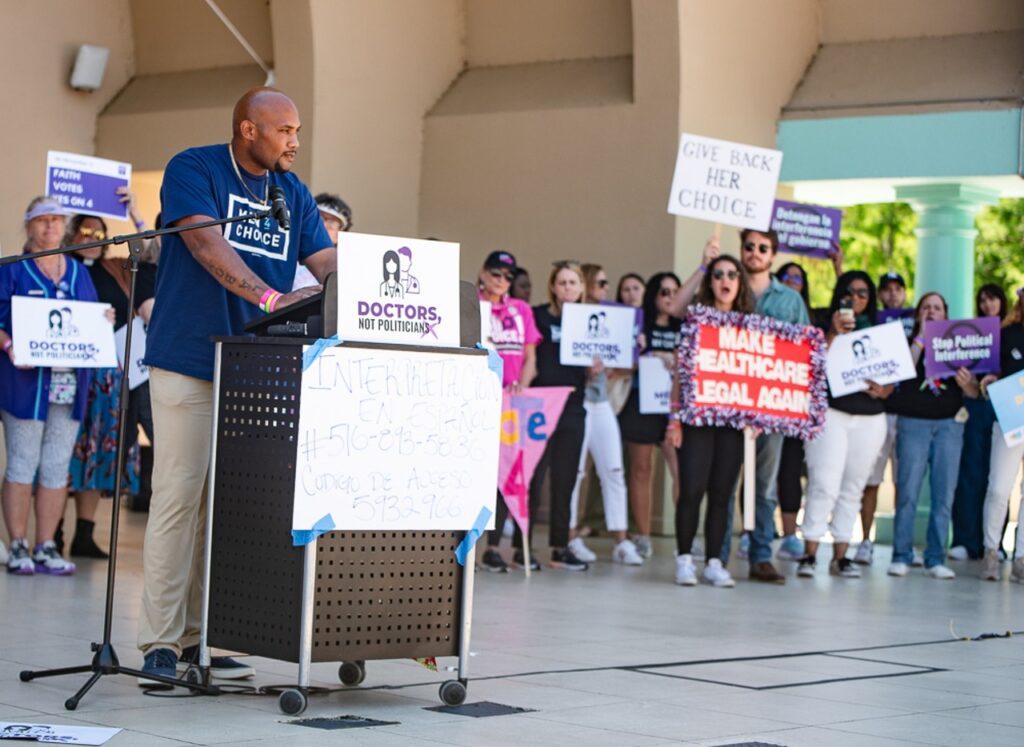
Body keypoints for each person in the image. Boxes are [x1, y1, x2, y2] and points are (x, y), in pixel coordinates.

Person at [137, 87, 336, 684]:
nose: (295, 142)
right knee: (179, 496)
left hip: (257, 368)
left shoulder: (292, 193)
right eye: (285, 130)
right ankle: (162, 644)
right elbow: (202, 242)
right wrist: (271, 296)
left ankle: (205, 635)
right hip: (189, 357)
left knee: (230, 506)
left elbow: (323, 260)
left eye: (298, 130)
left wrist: (358, 292)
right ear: (248, 130)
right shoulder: (194, 167)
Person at [675, 230, 809, 584]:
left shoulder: (788, 301)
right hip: (714, 413)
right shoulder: (710, 308)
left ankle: (761, 555)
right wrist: (705, 265)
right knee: (720, 485)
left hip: (768, 411)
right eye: (748, 247)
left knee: (764, 487)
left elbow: (799, 356)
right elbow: (677, 312)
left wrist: (783, 406)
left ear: (773, 253)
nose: (754, 253)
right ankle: (714, 557)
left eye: (762, 248)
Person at [0, 197, 108, 576]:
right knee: (22, 461)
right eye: (41, 220)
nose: (49, 227)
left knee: (56, 465)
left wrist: (102, 319)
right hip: (25, 384)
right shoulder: (12, 269)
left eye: (55, 220)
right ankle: (17, 544)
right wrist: (10, 343)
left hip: (68, 384)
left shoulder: (78, 273)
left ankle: (45, 544)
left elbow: (91, 321)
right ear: (28, 226)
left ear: (64, 227)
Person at [63, 203, 155, 559]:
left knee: (97, 450)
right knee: (67, 450)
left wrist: (133, 210)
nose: (92, 239)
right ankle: (50, 534)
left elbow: (149, 249)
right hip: (70, 374)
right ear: (72, 235)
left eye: (99, 234)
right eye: (85, 232)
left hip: (111, 374)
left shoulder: (116, 267)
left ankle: (84, 534)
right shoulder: (62, 268)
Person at [798, 271, 891, 579]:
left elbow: (895, 377)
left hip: (870, 418)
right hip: (832, 413)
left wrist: (884, 390)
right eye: (850, 292)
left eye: (863, 293)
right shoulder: (823, 321)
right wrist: (833, 333)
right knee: (823, 483)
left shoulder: (881, 330)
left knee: (854, 487)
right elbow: (811, 365)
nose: (856, 298)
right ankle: (809, 554)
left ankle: (841, 555)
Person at [669, 255, 755, 588]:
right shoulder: (696, 320)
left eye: (732, 274)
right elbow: (680, 370)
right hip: (697, 416)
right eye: (718, 274)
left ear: (740, 282)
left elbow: (757, 374)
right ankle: (684, 558)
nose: (725, 280)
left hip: (733, 420)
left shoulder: (751, 324)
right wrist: (673, 419)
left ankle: (715, 562)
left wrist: (757, 413)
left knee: (722, 492)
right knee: (691, 488)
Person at [888, 292, 979, 579]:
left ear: (946, 315)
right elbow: (900, 372)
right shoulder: (906, 342)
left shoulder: (959, 345)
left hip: (949, 426)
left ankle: (935, 558)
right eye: (925, 307)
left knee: (943, 495)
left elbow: (973, 392)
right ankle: (901, 555)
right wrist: (922, 338)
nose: (931, 311)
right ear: (918, 314)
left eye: (937, 308)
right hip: (913, 423)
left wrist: (969, 385)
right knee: (908, 492)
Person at [513, 261, 590, 571]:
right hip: (540, 407)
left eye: (573, 282)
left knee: (566, 480)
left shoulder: (592, 322)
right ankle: (522, 548)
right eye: (562, 282)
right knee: (533, 477)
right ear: (553, 287)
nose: (568, 288)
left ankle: (560, 546)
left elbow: (607, 370)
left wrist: (601, 367)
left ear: (582, 287)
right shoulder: (539, 316)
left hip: (573, 407)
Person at [565, 264, 643, 566]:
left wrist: (631, 353)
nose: (605, 289)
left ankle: (621, 540)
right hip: (577, 402)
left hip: (601, 403)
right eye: (600, 283)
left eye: (607, 283)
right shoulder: (573, 318)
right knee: (575, 472)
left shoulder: (612, 318)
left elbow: (621, 366)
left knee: (613, 470)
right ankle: (570, 536)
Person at [477, 250, 539, 572]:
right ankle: (470, 551)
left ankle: (494, 548)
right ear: (484, 272)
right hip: (477, 399)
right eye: (496, 273)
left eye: (507, 276)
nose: (501, 281)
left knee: (506, 473)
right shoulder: (473, 303)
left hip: (511, 403)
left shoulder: (521, 310)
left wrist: (521, 385)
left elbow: (530, 358)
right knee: (477, 473)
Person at [618, 271, 683, 559]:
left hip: (673, 409)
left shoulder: (685, 327)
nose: (669, 298)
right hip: (641, 404)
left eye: (674, 291)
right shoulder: (637, 323)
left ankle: (685, 534)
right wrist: (644, 354)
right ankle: (643, 535)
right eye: (663, 292)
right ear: (653, 295)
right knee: (641, 470)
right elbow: (619, 359)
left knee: (681, 471)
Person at [854, 270, 915, 566]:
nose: (892, 293)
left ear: (905, 291)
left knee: (905, 482)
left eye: (897, 288)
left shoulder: (916, 320)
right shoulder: (873, 318)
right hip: (877, 412)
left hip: (906, 412)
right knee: (871, 481)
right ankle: (865, 540)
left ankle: (902, 549)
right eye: (887, 289)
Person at [949, 284, 1007, 561]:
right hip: (974, 407)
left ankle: (992, 544)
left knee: (998, 482)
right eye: (982, 299)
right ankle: (964, 539)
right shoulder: (972, 334)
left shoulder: (1010, 334)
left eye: (992, 298)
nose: (987, 304)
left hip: (1005, 410)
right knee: (970, 474)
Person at [979, 288, 1024, 582]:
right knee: (998, 489)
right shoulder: (1007, 334)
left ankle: (1021, 557)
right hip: (1010, 419)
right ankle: (990, 551)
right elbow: (992, 370)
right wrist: (989, 379)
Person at [772, 262, 812, 561]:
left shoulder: (815, 316)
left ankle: (789, 535)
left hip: (794, 402)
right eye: (786, 276)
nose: (792, 281)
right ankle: (751, 533)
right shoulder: (764, 307)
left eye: (798, 277)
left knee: (790, 469)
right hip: (763, 396)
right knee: (758, 466)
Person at [292, 192, 351, 290]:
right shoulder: (288, 255)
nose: (323, 226)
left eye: (332, 223)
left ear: (340, 233)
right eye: (319, 219)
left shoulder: (347, 267)